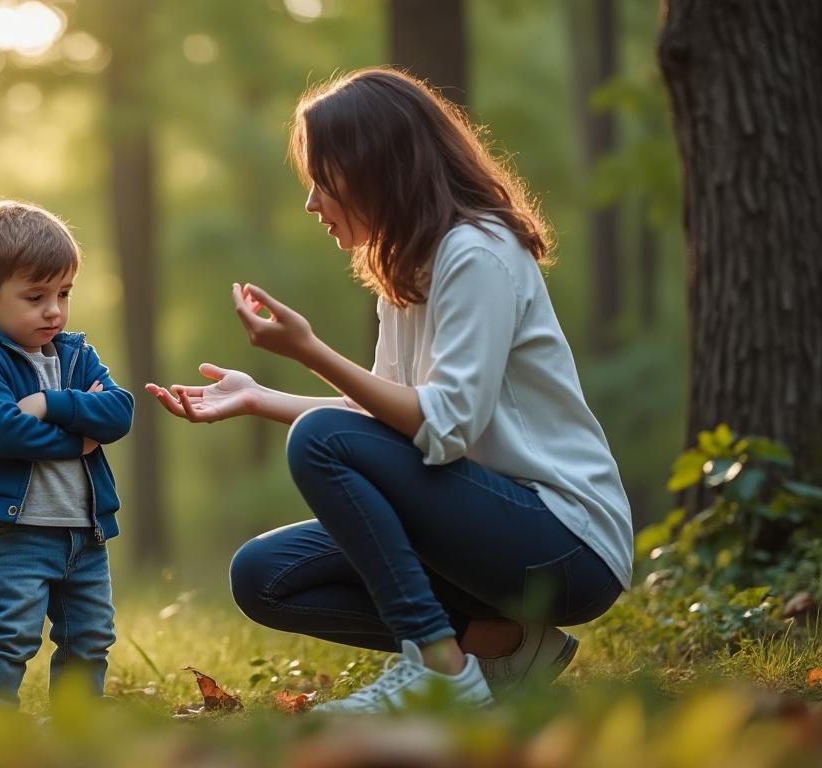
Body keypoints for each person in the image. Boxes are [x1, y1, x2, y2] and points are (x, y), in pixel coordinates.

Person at [146, 68, 632, 713]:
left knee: (319, 441)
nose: (312, 203)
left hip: (565, 544)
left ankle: (437, 667)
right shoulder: (405, 272)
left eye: (324, 180)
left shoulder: (476, 253)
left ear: (375, 166)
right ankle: (507, 650)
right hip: (486, 526)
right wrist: (261, 396)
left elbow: (445, 425)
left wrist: (312, 351)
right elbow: (379, 421)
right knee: (263, 576)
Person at [0, 200, 134, 705]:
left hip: (85, 532)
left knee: (91, 637)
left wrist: (48, 403)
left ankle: (74, 738)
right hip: (16, 532)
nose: (54, 309)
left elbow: (119, 412)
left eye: (64, 293)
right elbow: (5, 433)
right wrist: (79, 436)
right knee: (13, 635)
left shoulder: (76, 353)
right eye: (35, 296)